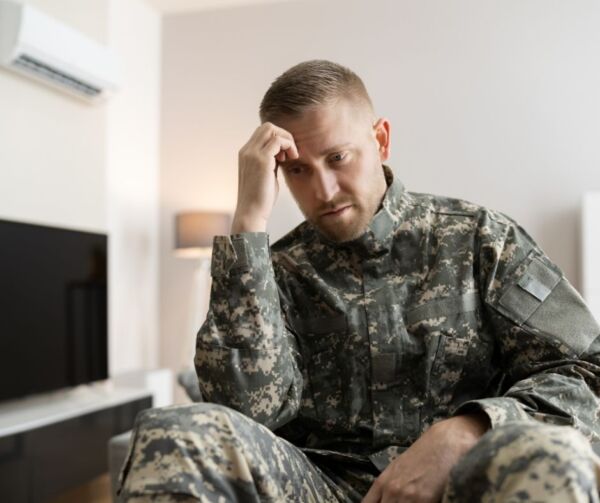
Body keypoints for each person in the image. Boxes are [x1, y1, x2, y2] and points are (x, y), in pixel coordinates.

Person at [118, 60, 600, 502]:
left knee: (551, 456)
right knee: (173, 431)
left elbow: (586, 372)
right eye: (298, 170)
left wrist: (468, 429)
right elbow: (244, 414)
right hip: (322, 487)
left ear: (381, 139)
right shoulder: (275, 270)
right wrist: (248, 223)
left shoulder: (480, 238)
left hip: (464, 480)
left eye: (338, 158)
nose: (323, 191)